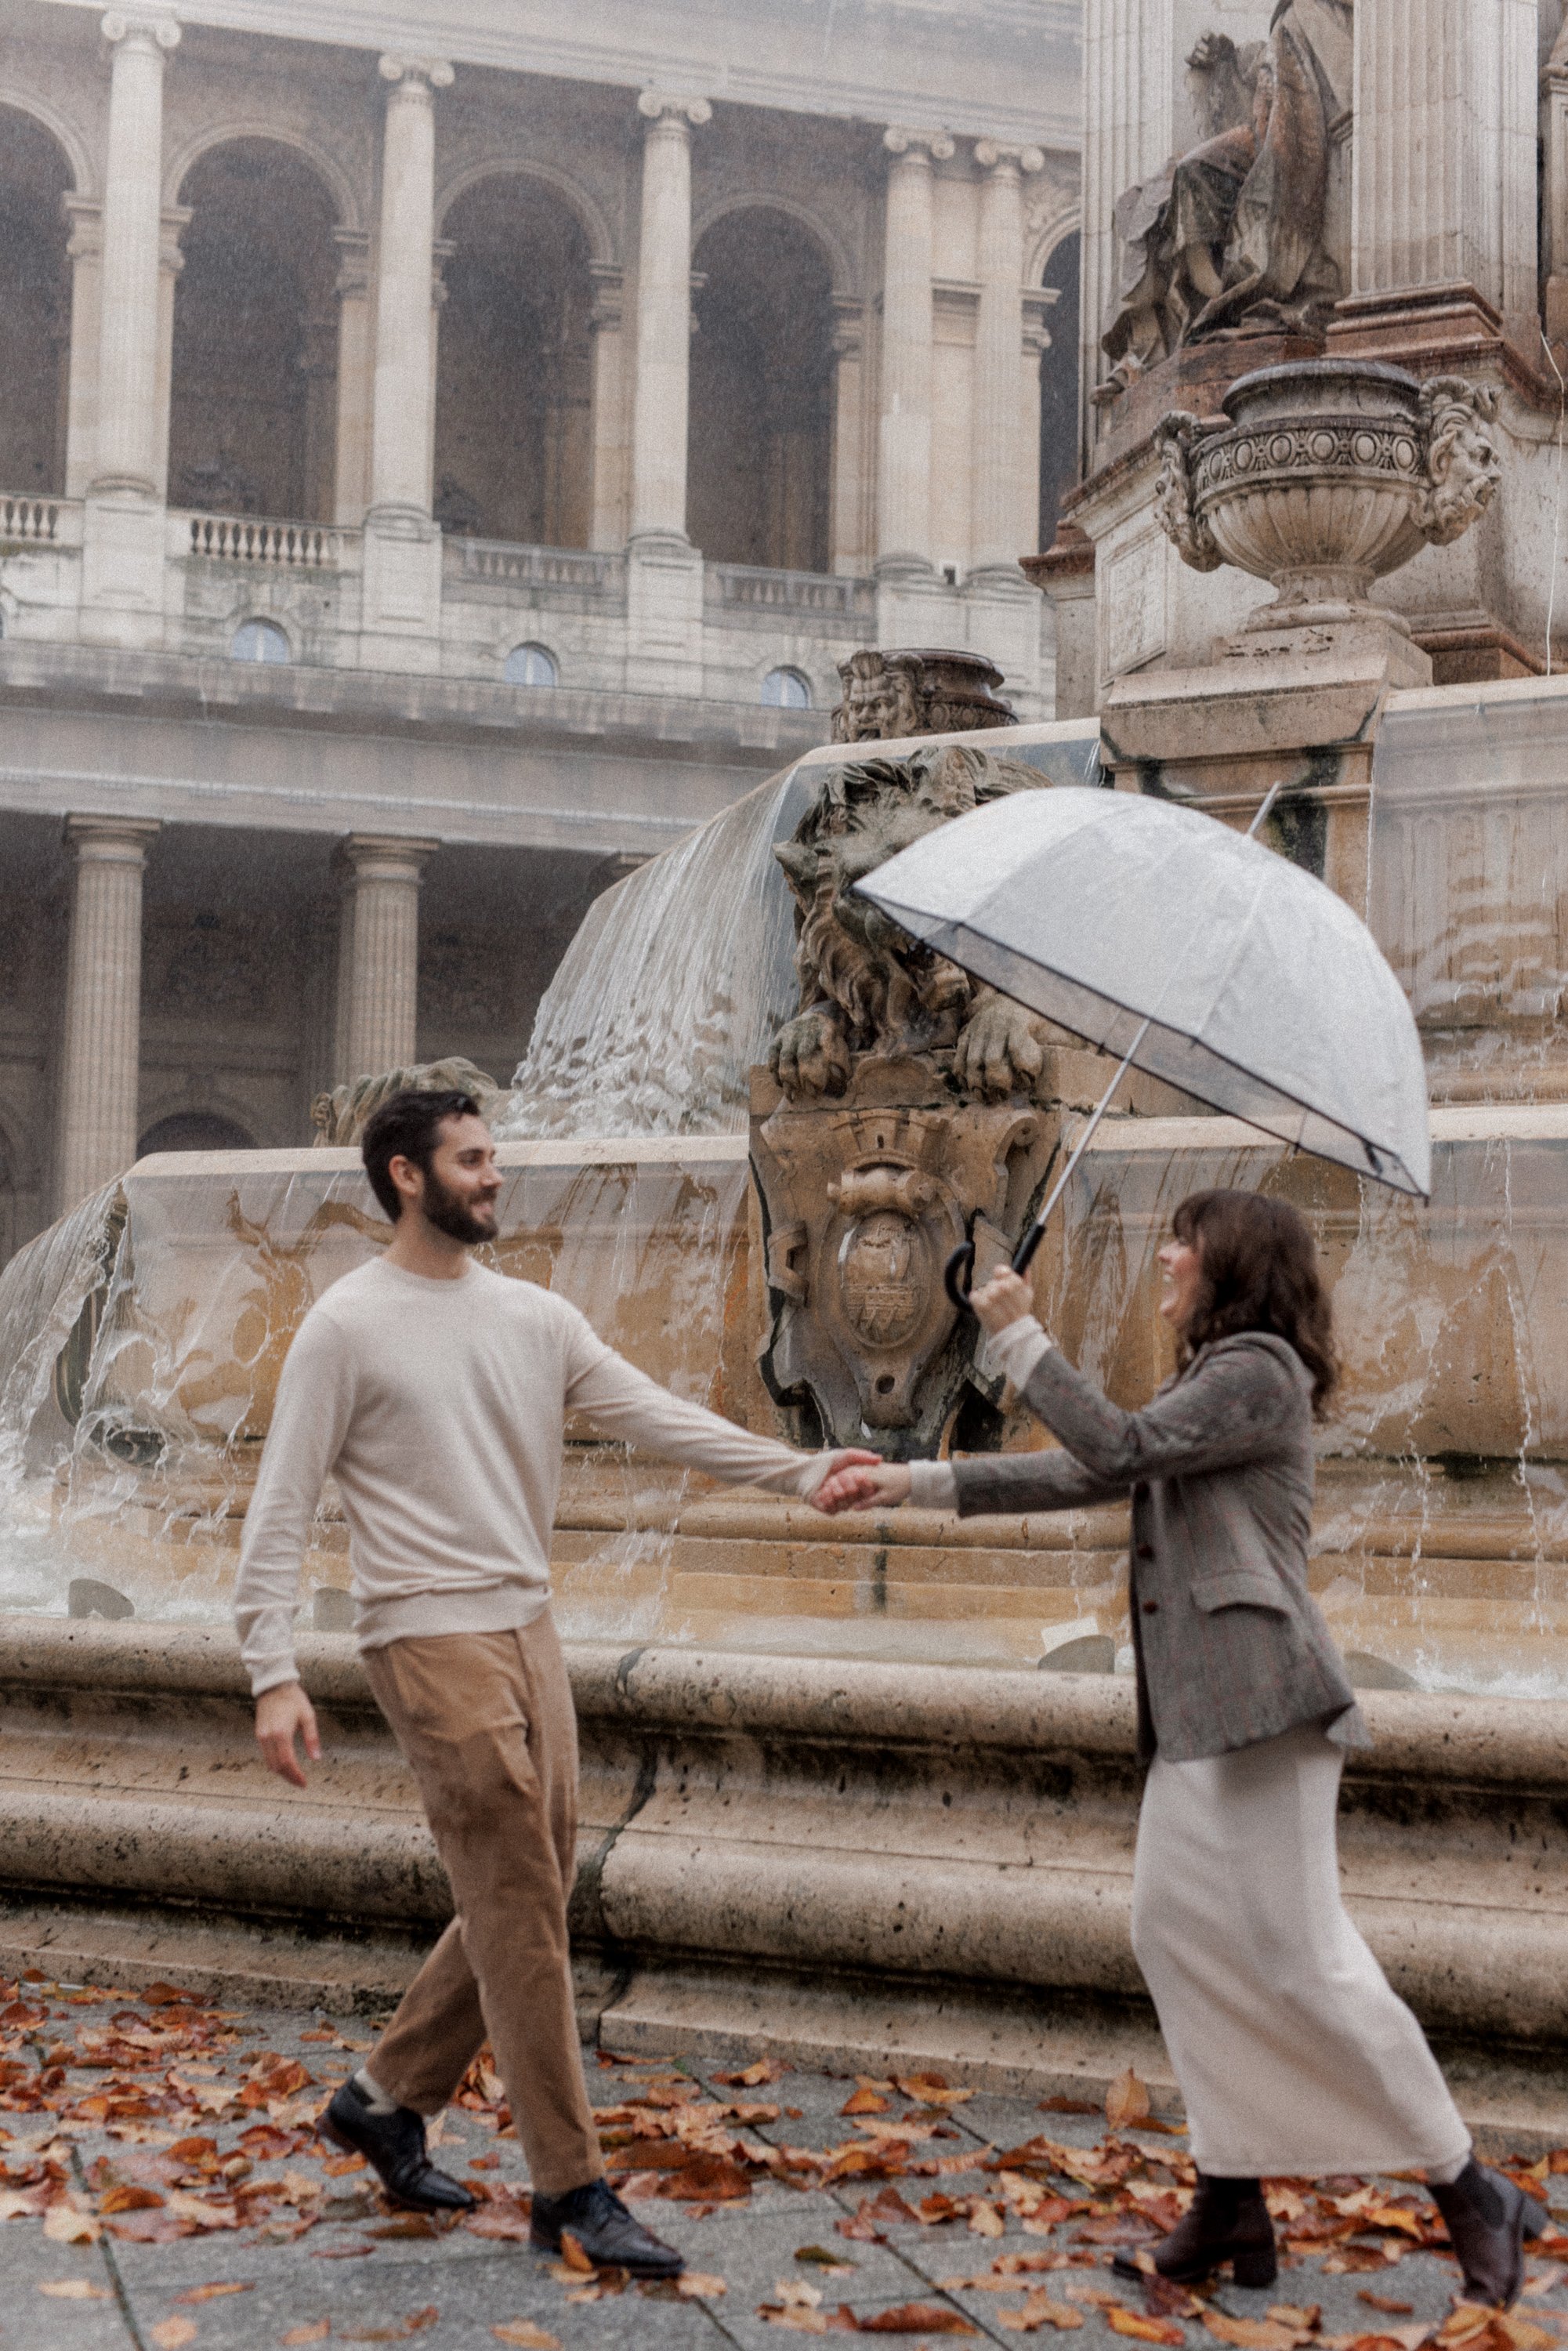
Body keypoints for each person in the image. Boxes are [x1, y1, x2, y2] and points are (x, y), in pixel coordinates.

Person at [815, 1189, 1541, 2308]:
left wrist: (1016, 1335)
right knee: (1171, 1933)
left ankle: (1467, 2187)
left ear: (1232, 1263)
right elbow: (1096, 1469)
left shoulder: (1257, 1370)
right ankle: (1230, 2194)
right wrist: (907, 1483)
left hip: (1262, 1704)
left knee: (1306, 1958)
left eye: (1183, 1241)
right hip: (1202, 1713)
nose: (1164, 1255)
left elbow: (1113, 1445)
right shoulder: (1210, 1381)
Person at [236, 1088, 875, 2277]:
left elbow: (657, 1417)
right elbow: (280, 1508)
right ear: (405, 1175)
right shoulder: (345, 1325)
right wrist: (272, 1670)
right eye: (472, 1160)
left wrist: (802, 1473)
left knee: (532, 1878)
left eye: (493, 1158)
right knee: (522, 1895)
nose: (494, 1177)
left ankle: (384, 2096)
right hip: (424, 1636)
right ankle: (570, 2188)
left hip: (528, 1625)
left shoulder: (532, 1316)